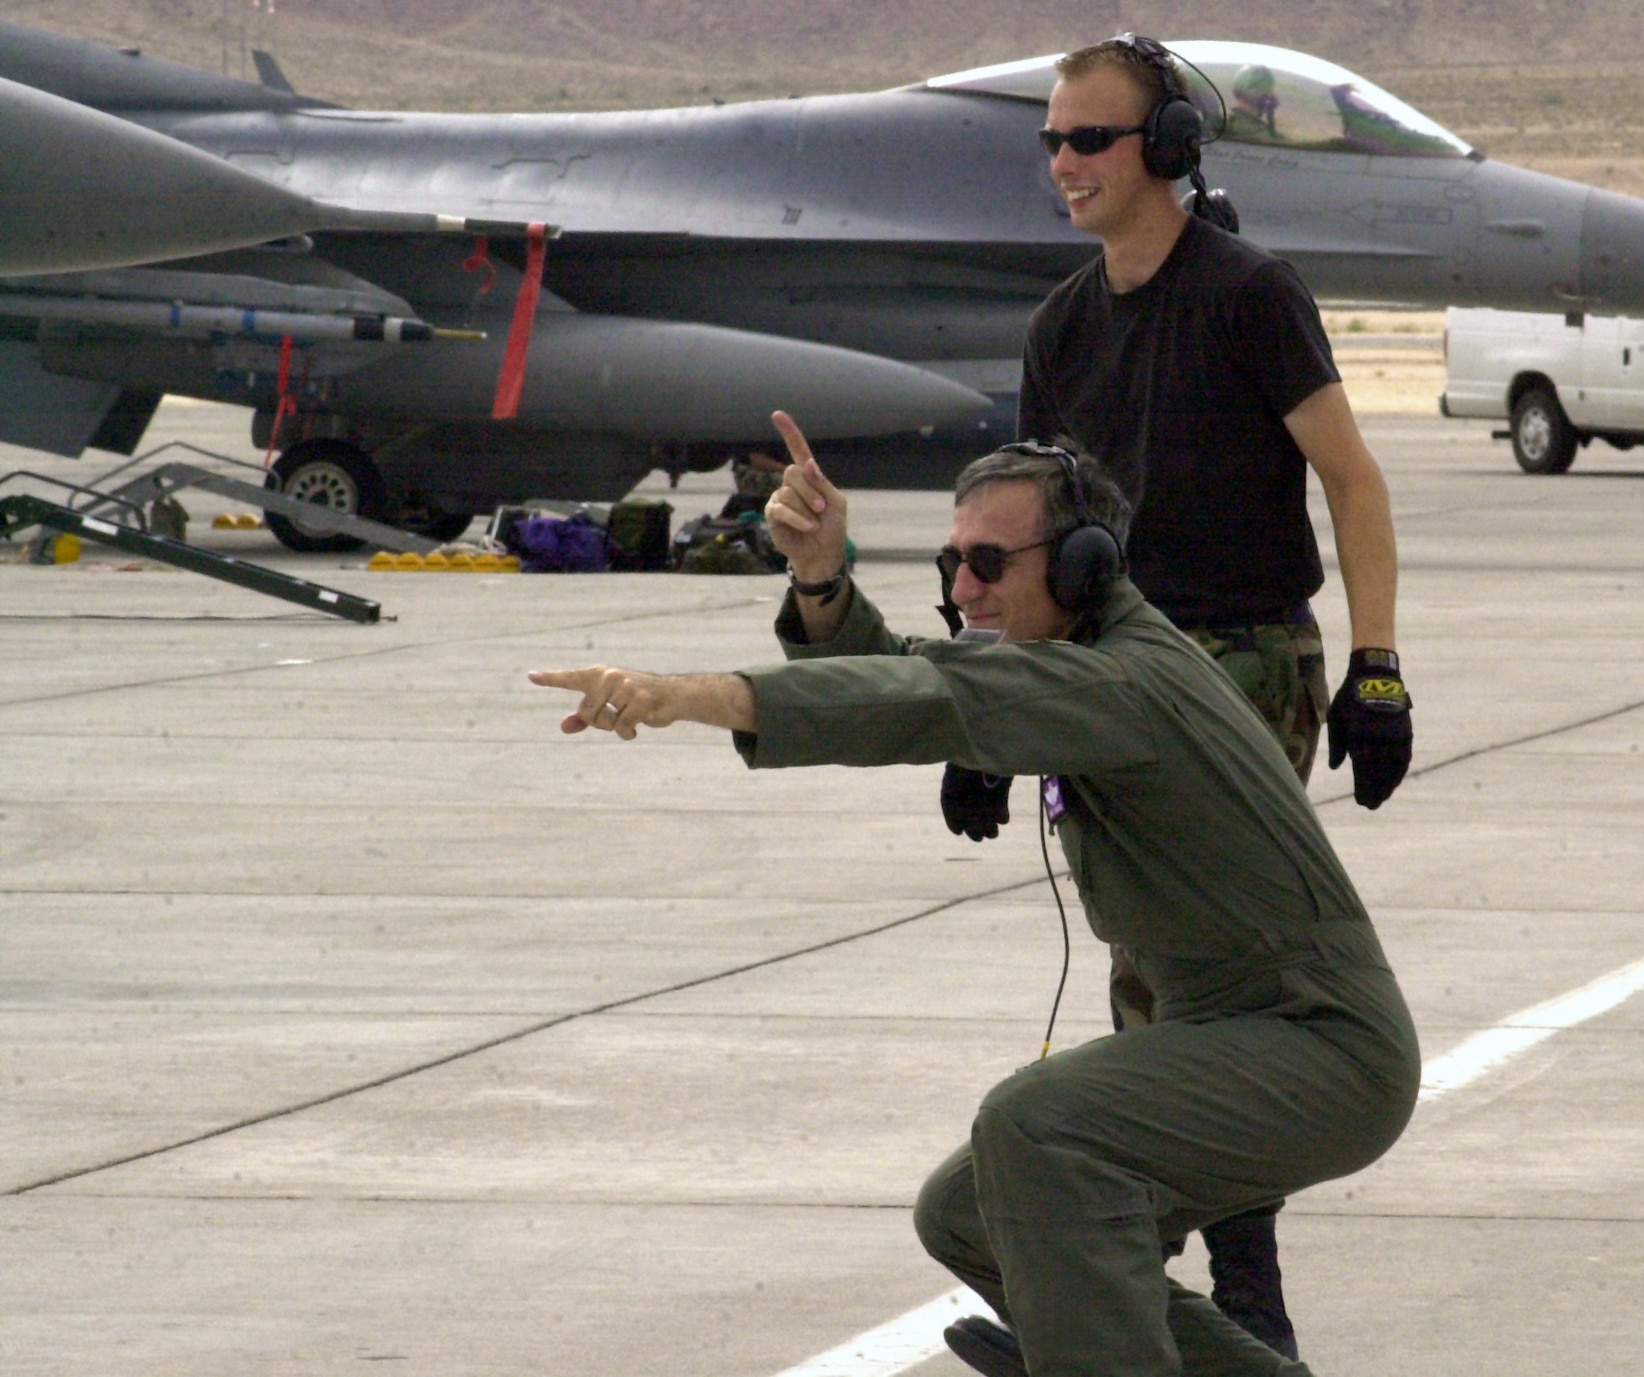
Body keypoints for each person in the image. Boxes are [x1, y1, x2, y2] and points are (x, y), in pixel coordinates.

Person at [531, 417, 1420, 1377]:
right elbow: (921, 671)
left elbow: (923, 700)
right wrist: (822, 579)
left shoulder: (1128, 679)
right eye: (955, 562)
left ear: (1084, 566)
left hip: (1318, 1040)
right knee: (967, 1210)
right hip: (1234, 1029)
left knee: (1038, 1127)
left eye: (990, 562)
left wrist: (689, 696)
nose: (964, 590)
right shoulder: (1094, 657)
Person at [936, 34, 1416, 1363]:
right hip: (1111, 681)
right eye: (1051, 141)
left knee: (1201, 982)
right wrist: (990, 710)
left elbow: (1354, 480)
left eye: (1089, 139)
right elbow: (1022, 536)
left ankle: (1201, 1297)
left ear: (1167, 153)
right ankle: (1137, 1297)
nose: (1064, 164)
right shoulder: (1062, 326)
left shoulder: (1248, 294)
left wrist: (1375, 667)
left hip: (1243, 669)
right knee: (1147, 964)